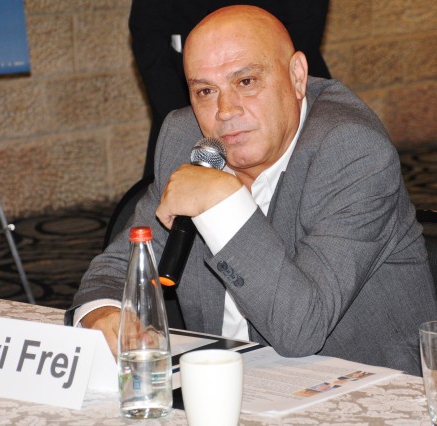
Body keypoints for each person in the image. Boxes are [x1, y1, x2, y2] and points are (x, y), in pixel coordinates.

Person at [66, 5, 437, 376]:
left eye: (246, 82)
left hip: (362, 386)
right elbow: (119, 268)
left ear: (297, 76)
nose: (225, 110)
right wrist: (103, 314)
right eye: (205, 91)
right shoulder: (185, 137)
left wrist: (222, 204)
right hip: (231, 382)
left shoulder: (351, 150)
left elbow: (301, 328)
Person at [129, 0, 332, 178]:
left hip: (278, 90)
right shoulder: (178, 133)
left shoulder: (337, 146)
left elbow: (305, 23)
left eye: (245, 81)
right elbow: (147, 31)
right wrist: (191, 117)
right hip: (187, 95)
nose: (226, 111)